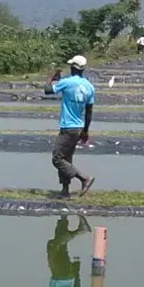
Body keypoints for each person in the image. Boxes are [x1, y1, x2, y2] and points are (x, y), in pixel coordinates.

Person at [47, 54, 96, 197]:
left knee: (57, 158)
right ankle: (65, 190)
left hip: (68, 126)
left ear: (72, 67)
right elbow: (89, 111)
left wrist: (52, 77)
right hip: (79, 127)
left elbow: (47, 90)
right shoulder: (89, 86)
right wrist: (85, 131)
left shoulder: (67, 82)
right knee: (66, 158)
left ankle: (84, 178)